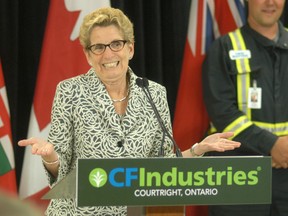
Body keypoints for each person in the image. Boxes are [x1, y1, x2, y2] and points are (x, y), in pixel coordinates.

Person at [18, 7, 240, 216]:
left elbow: (160, 167)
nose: (108, 54)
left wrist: (198, 149)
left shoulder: (154, 93)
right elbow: (61, 172)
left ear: (130, 48)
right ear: (88, 54)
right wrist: (50, 156)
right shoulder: (70, 91)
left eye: (116, 44)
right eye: (98, 47)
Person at [202, 0, 288, 216]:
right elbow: (222, 112)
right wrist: (272, 145)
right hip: (238, 173)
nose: (270, 2)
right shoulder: (224, 48)